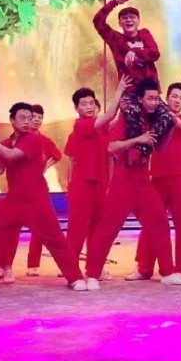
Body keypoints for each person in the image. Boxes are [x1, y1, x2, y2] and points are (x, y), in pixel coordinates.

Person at [0, 103, 86, 293]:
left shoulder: (33, 139)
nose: (28, 121)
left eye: (30, 118)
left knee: (55, 240)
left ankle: (75, 278)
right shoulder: (5, 143)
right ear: (12, 120)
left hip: (36, 200)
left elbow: (12, 156)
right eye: (22, 118)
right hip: (13, 200)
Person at [84, 80, 181, 290]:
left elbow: (160, 149)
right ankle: (92, 275)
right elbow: (111, 148)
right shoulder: (128, 117)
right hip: (123, 182)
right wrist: (137, 139)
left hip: (143, 182)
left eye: (156, 99)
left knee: (160, 223)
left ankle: (168, 272)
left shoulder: (155, 119)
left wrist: (167, 129)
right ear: (140, 99)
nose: (153, 103)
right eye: (150, 98)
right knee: (107, 229)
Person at [93, 0, 175, 162]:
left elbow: (155, 53)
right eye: (125, 18)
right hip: (130, 92)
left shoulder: (144, 34)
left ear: (138, 20)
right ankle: (135, 152)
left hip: (150, 93)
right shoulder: (116, 40)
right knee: (131, 112)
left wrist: (135, 51)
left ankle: (145, 149)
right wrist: (115, 2)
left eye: (132, 17)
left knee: (168, 117)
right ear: (120, 22)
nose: (129, 20)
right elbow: (98, 22)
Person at [134, 82, 181, 280]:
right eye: (174, 96)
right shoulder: (153, 119)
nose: (177, 101)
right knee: (151, 224)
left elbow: (174, 122)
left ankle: (180, 270)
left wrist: (158, 107)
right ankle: (144, 268)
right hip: (158, 178)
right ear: (167, 97)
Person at [60, 82, 123, 273]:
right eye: (84, 104)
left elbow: (117, 120)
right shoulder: (80, 125)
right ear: (76, 108)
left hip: (100, 185)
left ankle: (94, 268)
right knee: (77, 230)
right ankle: (71, 270)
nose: (88, 107)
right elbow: (71, 160)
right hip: (82, 185)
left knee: (97, 230)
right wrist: (119, 90)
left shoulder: (102, 129)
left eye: (91, 103)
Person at [13, 103, 64, 277]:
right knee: (11, 228)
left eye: (39, 118)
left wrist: (45, 166)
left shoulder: (45, 141)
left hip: (38, 189)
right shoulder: (19, 139)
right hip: (18, 190)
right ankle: (4, 265)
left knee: (41, 228)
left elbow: (57, 155)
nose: (36, 120)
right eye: (33, 117)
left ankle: (33, 264)